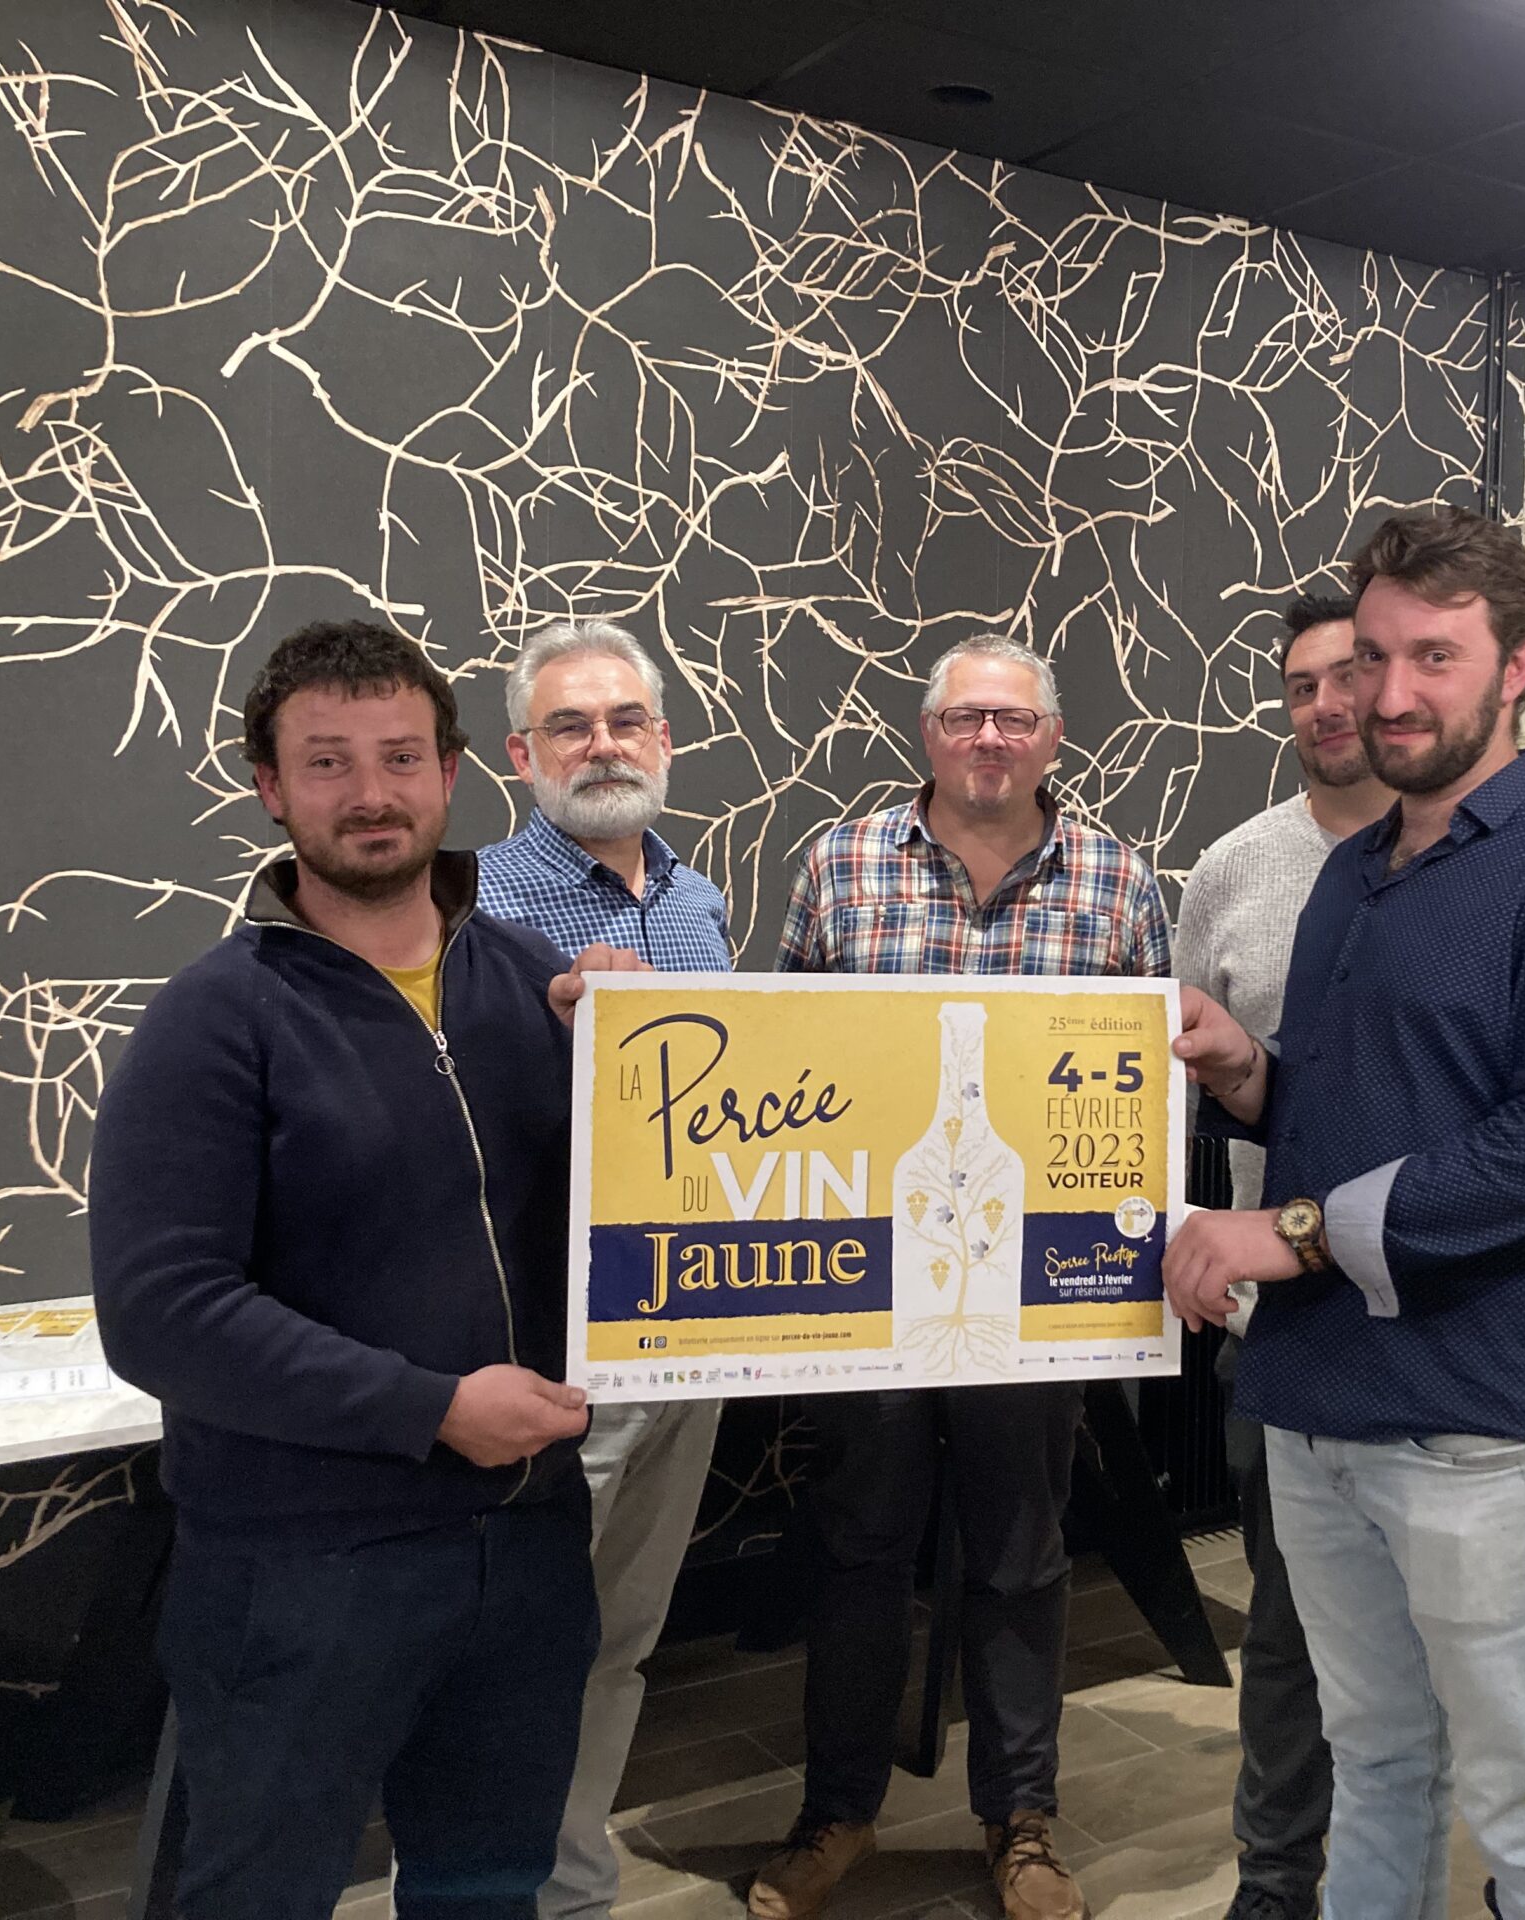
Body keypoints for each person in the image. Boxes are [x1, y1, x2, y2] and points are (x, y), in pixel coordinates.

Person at [1166, 508, 1525, 1920]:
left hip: (1482, 1430)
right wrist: (1250, 1072)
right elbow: (1360, 1112)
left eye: (1432, 659)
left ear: (1518, 665)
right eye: (1370, 659)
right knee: (1376, 1767)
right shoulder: (1350, 873)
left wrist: (1287, 1235)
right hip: (1312, 1408)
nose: (1386, 695)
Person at [93, 620, 631, 1919]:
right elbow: (163, 1315)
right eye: (327, 762)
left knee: (487, 1890)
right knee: (257, 1896)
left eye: (399, 757)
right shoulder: (214, 1019)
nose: (370, 793)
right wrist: (429, 1408)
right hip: (303, 1573)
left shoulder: (537, 989)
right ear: (271, 790)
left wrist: (637, 1059)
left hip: (525, 1543)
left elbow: (622, 1223)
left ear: (451, 774)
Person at [751, 636, 1172, 1920]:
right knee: (858, 1547)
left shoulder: (1117, 879)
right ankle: (837, 1813)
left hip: (1038, 1296)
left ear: (1052, 738)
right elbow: (789, 1059)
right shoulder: (840, 865)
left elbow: (1149, 1085)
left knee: (1021, 1557)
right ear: (927, 734)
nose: (989, 739)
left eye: (1014, 720)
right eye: (965, 718)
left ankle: (1021, 1822)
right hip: (869, 1291)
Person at [478, 617, 731, 1920]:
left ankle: (571, 1887)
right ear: (520, 753)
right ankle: (473, 1891)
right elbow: (437, 1111)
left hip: (693, 1325)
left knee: (622, 1636)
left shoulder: (698, 901)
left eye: (626, 720)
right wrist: (544, 1028)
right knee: (517, 1642)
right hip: (549, 1335)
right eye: (570, 725)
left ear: (664, 740)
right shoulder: (473, 904)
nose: (603, 744)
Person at [1169, 589, 1388, 1920]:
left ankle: (1399, 1860)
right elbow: (1198, 1073)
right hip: (1279, 1323)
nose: (1326, 705)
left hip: (1436, 1314)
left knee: (1447, 1640)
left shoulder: (1470, 864)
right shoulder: (1232, 870)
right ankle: (1277, 1881)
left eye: (1347, 675)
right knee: (1289, 1629)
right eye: (1300, 686)